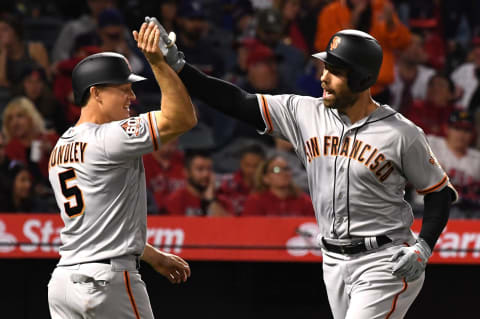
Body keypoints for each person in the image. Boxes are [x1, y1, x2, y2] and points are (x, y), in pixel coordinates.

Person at [155, 20, 457, 318]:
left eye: (336, 72)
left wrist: (424, 247)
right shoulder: (304, 112)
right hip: (333, 260)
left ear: (363, 79)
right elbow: (237, 102)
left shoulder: (402, 134)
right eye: (325, 68)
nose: (324, 77)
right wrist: (181, 68)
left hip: (385, 259)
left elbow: (439, 193)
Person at [47, 21, 196, 318]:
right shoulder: (109, 137)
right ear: (96, 93)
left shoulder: (59, 149)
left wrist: (151, 256)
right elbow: (182, 118)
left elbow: (101, 228)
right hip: (108, 281)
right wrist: (157, 61)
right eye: (124, 90)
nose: (133, 97)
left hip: (63, 282)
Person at [314, 0, 411, 102]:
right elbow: (326, 47)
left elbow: (404, 43)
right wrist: (352, 22)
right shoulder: (331, 12)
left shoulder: (381, 6)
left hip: (378, 90)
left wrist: (391, 24)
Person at [426, 111, 480, 218]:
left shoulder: (477, 159)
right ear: (447, 129)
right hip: (427, 209)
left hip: (466, 214)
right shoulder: (431, 144)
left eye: (466, 130)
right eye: (457, 128)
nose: (461, 134)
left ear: (473, 134)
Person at [165, 150, 232, 216]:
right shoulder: (175, 201)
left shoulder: (222, 200)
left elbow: (231, 226)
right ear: (186, 172)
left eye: (209, 169)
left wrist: (211, 200)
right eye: (200, 169)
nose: (206, 174)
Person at [242, 155, 314, 216]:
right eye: (276, 170)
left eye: (286, 169)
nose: (284, 173)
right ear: (265, 178)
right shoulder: (255, 201)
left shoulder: (304, 201)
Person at [389, 32, 435, 113]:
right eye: (410, 44)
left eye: (419, 45)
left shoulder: (430, 76)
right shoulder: (386, 72)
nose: (415, 49)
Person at [217, 144, 266, 215]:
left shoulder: (268, 186)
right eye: (247, 165)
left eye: (256, 166)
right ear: (241, 162)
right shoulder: (226, 184)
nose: (251, 170)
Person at [143, 138, 186, 214]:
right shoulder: (142, 162)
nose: (171, 138)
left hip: (182, 218)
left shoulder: (184, 161)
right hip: (152, 218)